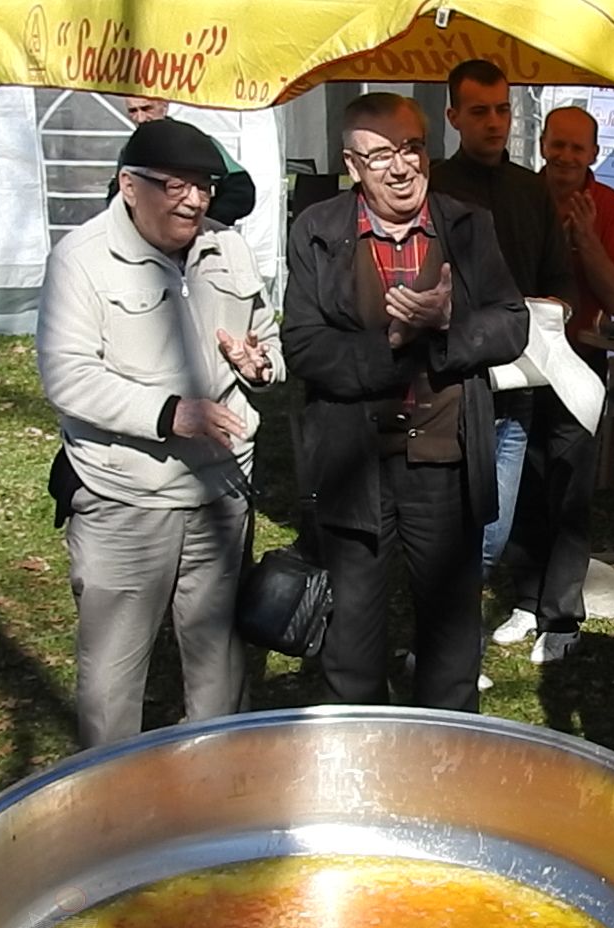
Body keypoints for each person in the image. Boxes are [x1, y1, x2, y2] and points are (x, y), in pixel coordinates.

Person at [37, 117, 283, 748]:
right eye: (175, 185)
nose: (194, 201)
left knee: (218, 659)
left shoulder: (227, 247)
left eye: (203, 186)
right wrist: (170, 412)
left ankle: (217, 776)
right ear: (129, 185)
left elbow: (268, 338)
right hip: (128, 498)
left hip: (221, 490)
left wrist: (260, 366)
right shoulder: (81, 259)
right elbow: (69, 376)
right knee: (113, 676)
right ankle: (110, 789)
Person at [282, 92, 528, 712]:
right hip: (353, 464)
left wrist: (446, 326)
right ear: (352, 165)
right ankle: (358, 755)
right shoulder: (317, 230)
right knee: (351, 643)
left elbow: (512, 323)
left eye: (412, 148)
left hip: (445, 461)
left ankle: (447, 758)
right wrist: (390, 346)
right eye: (380, 155)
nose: (400, 167)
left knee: (451, 646)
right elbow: (304, 345)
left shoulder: (466, 226)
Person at [481, 105, 614, 663]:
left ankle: (562, 616)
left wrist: (588, 240)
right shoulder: (520, 197)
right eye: (558, 145)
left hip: (579, 362)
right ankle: (528, 600)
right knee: (522, 482)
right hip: (519, 363)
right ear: (542, 144)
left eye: (578, 148)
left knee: (570, 488)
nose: (566, 157)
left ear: (593, 154)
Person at [428, 60, 575, 615]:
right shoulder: (433, 188)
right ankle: (444, 640)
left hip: (517, 383)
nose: (494, 123)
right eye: (479, 112)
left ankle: (452, 639)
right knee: (442, 527)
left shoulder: (531, 191)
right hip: (448, 382)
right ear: (453, 117)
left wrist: (555, 310)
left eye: (502, 110)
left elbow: (560, 276)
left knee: (492, 530)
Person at [105, 95, 258, 226]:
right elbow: (118, 195)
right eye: (133, 111)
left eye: (147, 109)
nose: (140, 118)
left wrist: (204, 222)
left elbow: (241, 189)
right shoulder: (130, 150)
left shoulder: (192, 140)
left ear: (164, 106)